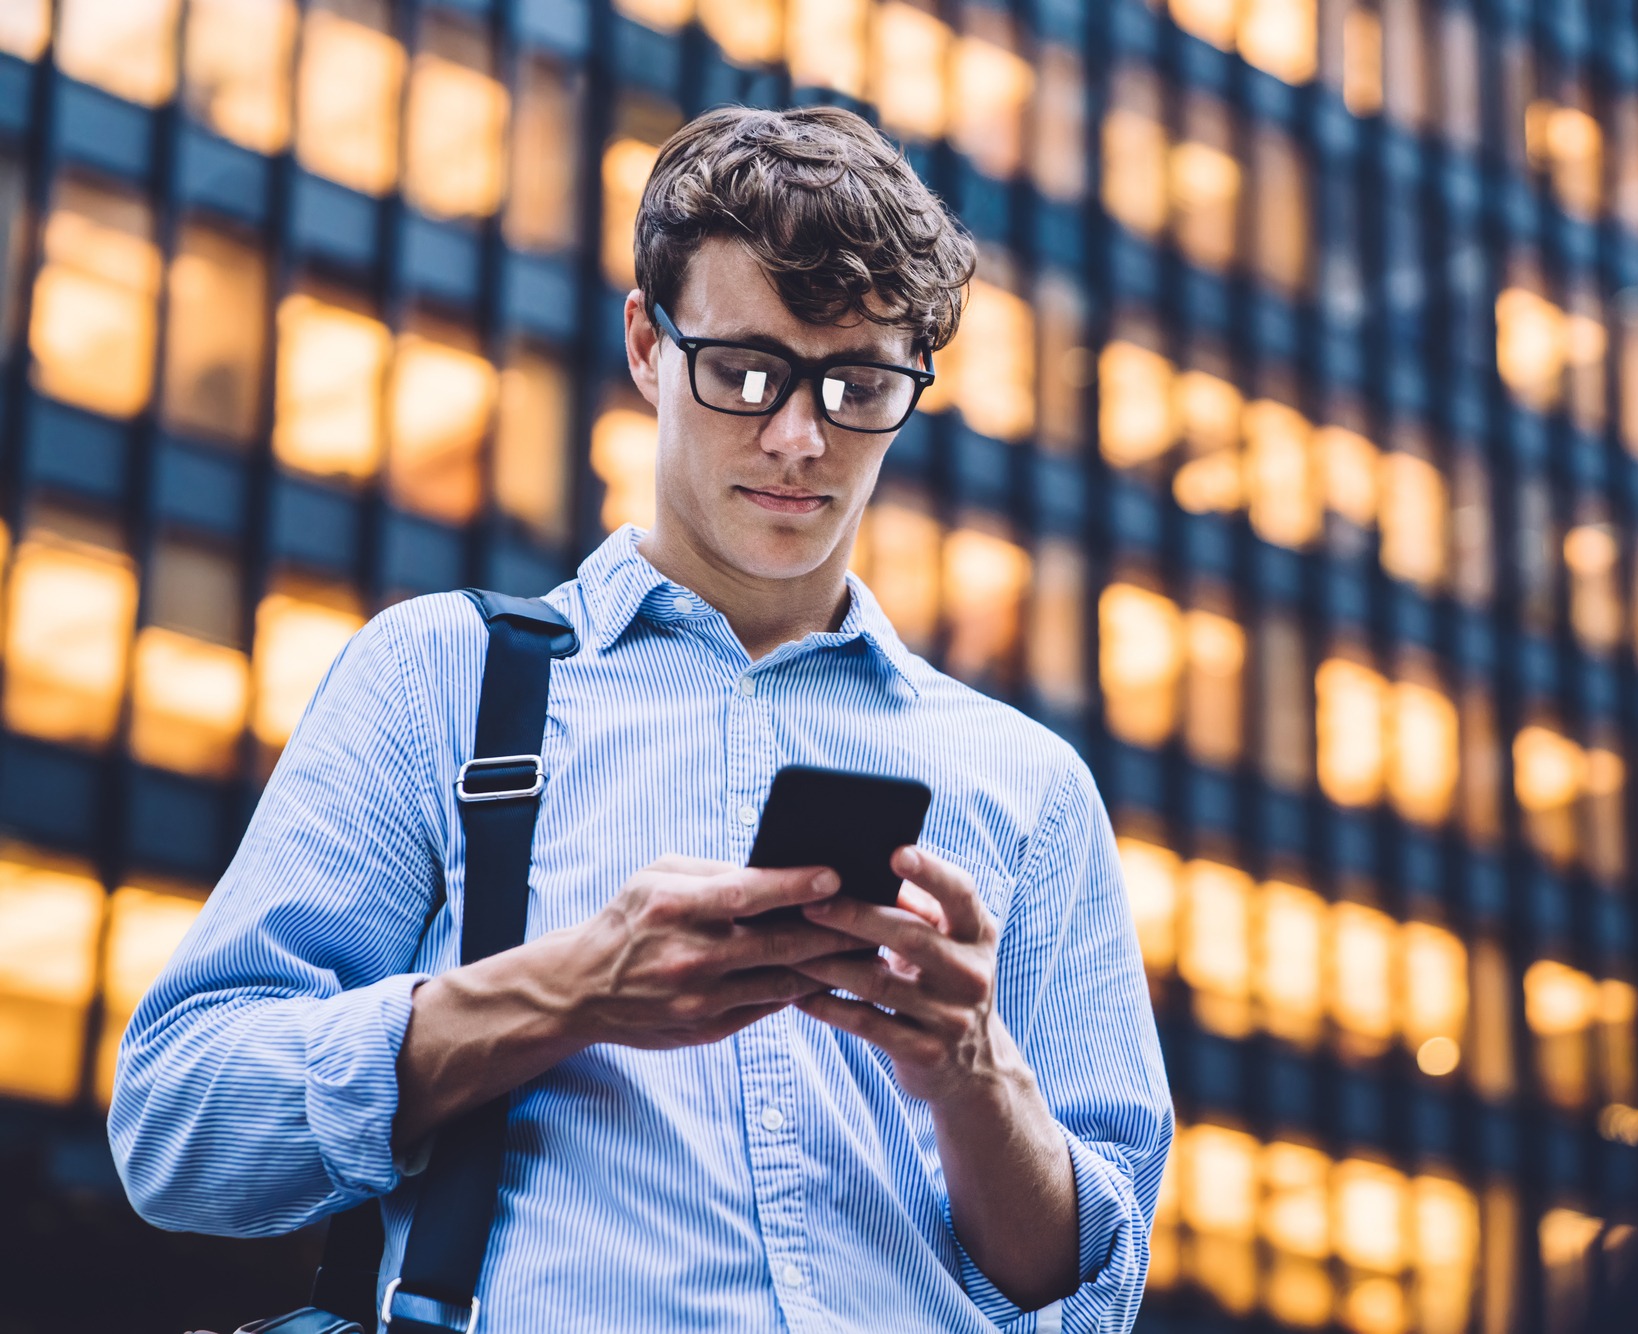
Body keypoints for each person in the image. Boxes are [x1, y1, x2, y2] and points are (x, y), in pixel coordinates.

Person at [110, 104, 1174, 1334]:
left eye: (857, 385)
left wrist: (969, 1071)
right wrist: (569, 988)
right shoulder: (440, 679)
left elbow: (1092, 1293)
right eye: (746, 370)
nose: (797, 437)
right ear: (645, 346)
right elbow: (181, 1127)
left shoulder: (1028, 781)